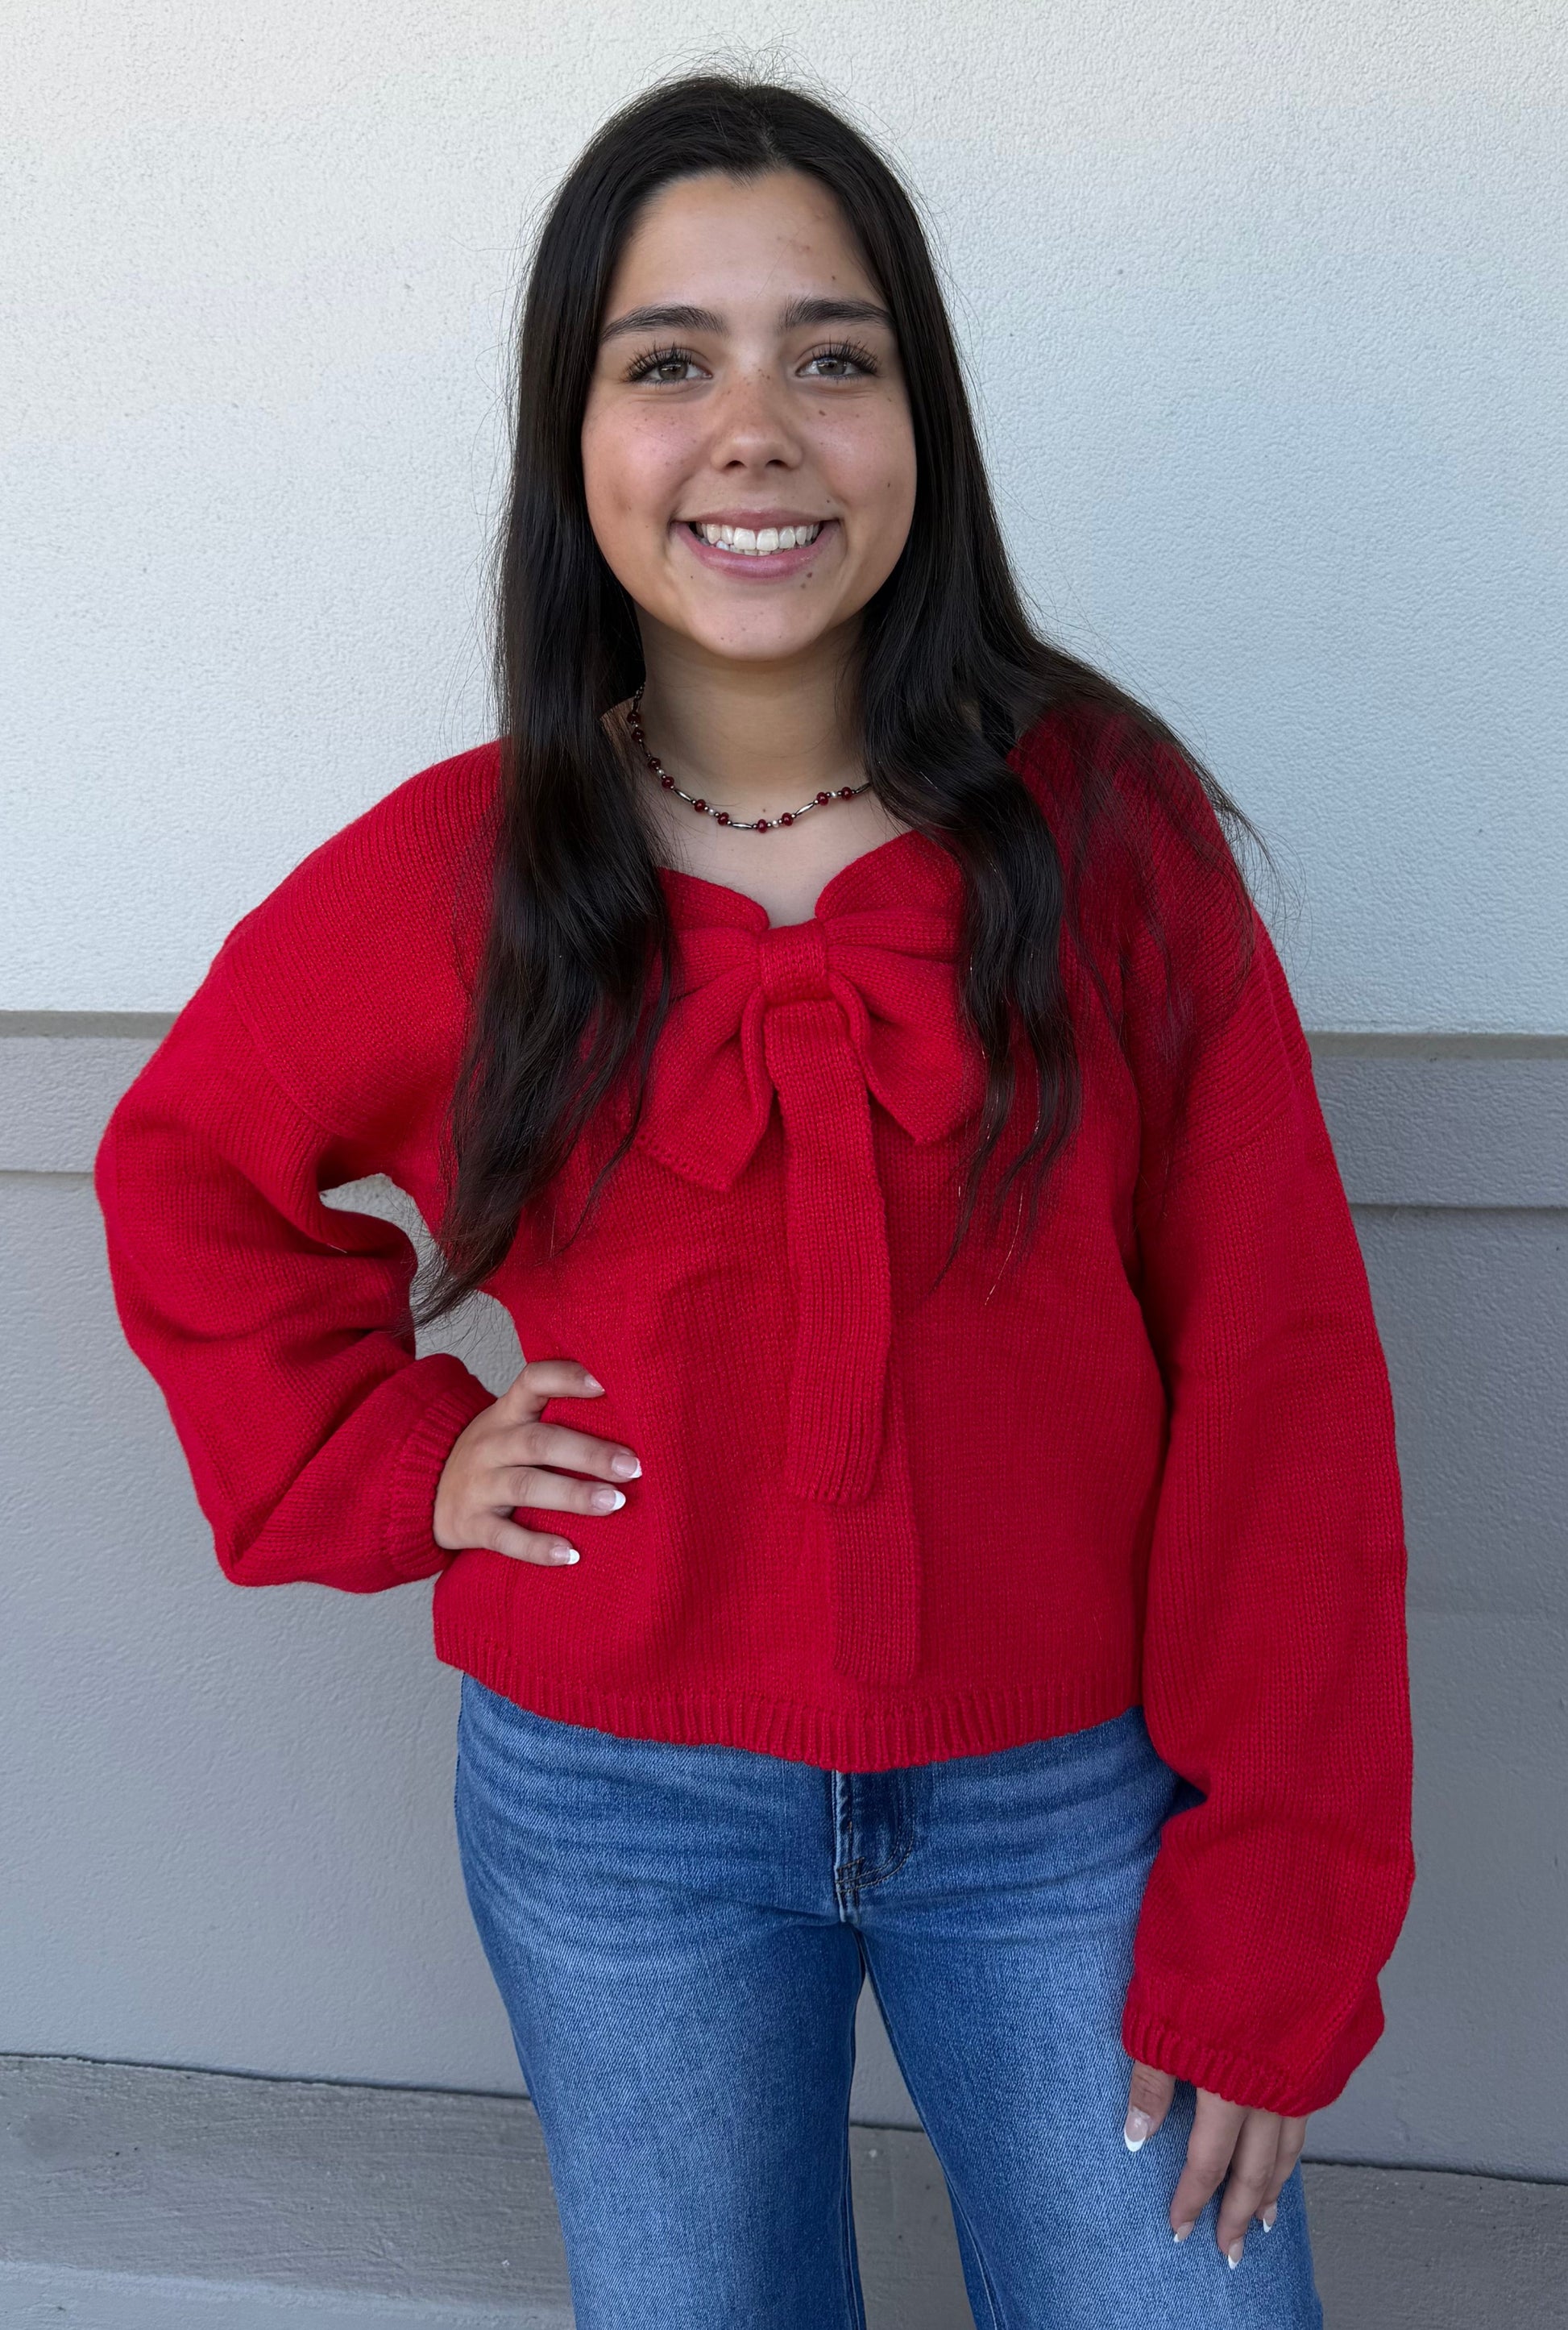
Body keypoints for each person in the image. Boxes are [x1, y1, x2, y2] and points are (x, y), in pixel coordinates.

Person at [93, 70, 1415, 2329]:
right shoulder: (463, 872)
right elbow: (186, 1165)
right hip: (617, 1808)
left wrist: (1279, 1887)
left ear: (920, 418)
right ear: (574, 435)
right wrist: (403, 1450)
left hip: (1067, 1810)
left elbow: (1280, 1375)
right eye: (666, 360)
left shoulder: (1107, 835)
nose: (755, 425)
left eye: (832, 352)